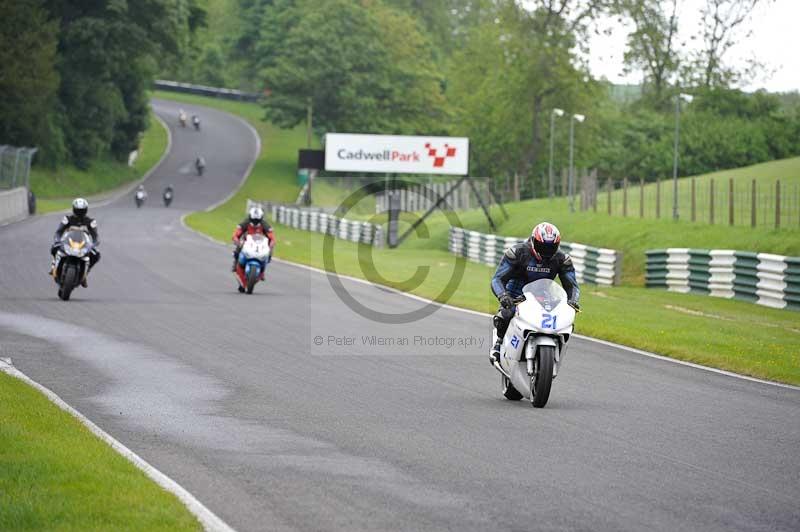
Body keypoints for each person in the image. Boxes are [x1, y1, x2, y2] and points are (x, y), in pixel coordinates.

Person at [489, 222, 580, 365]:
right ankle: (498, 344)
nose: (546, 251)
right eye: (543, 246)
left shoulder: (562, 259)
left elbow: (572, 286)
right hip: (516, 293)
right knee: (506, 314)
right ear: (533, 240)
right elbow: (497, 279)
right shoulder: (517, 253)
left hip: (543, 294)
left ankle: (554, 350)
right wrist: (503, 295)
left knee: (563, 318)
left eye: (551, 247)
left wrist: (573, 301)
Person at [50, 198, 100, 287]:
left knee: (96, 255)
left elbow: (95, 236)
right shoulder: (67, 219)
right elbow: (59, 232)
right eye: (78, 210)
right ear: (74, 209)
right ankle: (54, 265)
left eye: (82, 210)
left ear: (86, 210)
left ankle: (85, 274)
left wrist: (94, 244)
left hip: (83, 245)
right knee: (54, 247)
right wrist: (58, 240)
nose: (79, 213)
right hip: (68, 242)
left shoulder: (91, 222)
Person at [231, 206, 275, 279]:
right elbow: (237, 233)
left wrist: (271, 245)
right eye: (253, 220)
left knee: (269, 253)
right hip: (246, 241)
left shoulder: (265, 224)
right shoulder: (245, 222)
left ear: (261, 218)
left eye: (257, 220)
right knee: (238, 249)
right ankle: (235, 264)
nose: (255, 222)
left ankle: (262, 271)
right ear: (250, 217)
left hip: (260, 242)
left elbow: (271, 236)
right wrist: (236, 240)